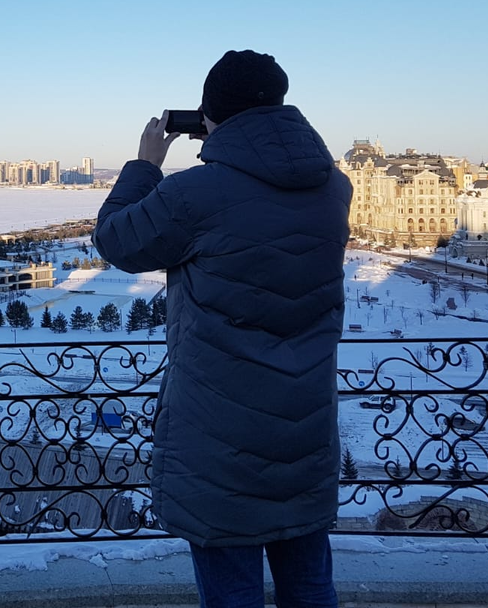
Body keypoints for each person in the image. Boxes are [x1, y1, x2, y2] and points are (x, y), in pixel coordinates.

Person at [93, 50, 352, 608]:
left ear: (210, 114)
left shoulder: (195, 194)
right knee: (310, 585)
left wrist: (144, 164)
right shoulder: (334, 189)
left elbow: (117, 240)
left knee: (232, 592)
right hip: (305, 423)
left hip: (219, 431)